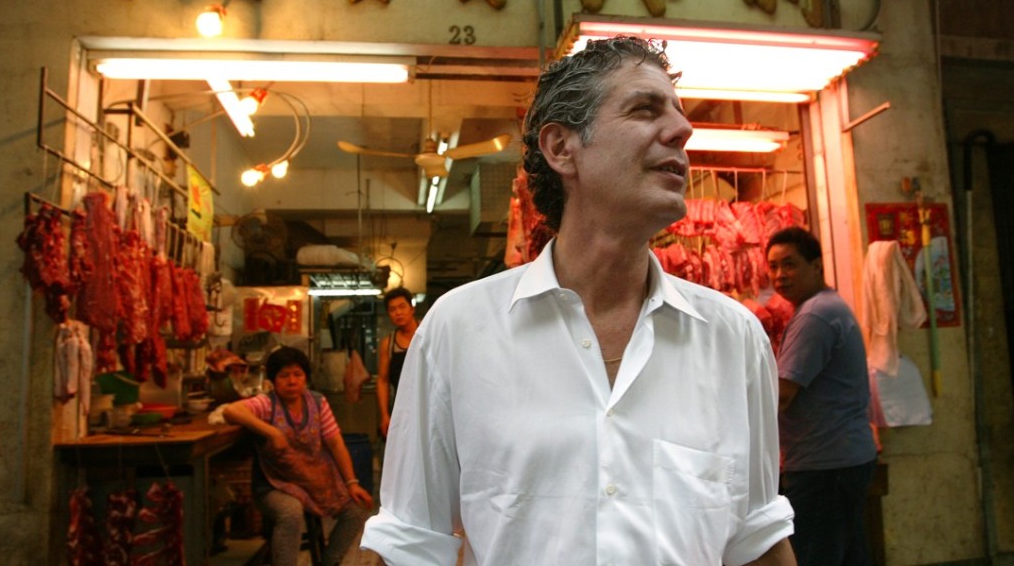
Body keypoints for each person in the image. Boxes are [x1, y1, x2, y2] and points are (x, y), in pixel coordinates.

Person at [362, 36, 795, 565]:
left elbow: (756, 540)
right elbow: (407, 543)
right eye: (644, 108)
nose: (683, 130)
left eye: (679, 116)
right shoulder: (459, 330)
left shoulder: (733, 337)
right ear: (562, 148)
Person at [766, 226, 878, 566]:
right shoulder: (826, 307)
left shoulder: (815, 315)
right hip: (842, 459)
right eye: (773, 267)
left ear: (816, 266)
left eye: (790, 264)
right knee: (847, 555)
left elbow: (782, 395)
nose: (780, 275)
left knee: (815, 555)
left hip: (825, 465)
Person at [223, 346, 373, 566]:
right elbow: (230, 411)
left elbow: (336, 443)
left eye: (297, 375)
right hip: (273, 486)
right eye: (284, 376)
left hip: (314, 483)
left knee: (357, 509)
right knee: (291, 512)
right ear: (273, 380)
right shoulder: (267, 403)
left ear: (305, 378)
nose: (292, 381)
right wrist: (271, 431)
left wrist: (352, 483)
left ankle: (329, 562)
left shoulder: (318, 402)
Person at [375, 287, 419, 438]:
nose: (398, 312)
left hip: (430, 404)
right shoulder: (388, 343)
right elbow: (382, 380)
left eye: (402, 307)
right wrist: (385, 414)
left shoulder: (428, 334)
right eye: (392, 309)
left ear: (412, 309)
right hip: (402, 408)